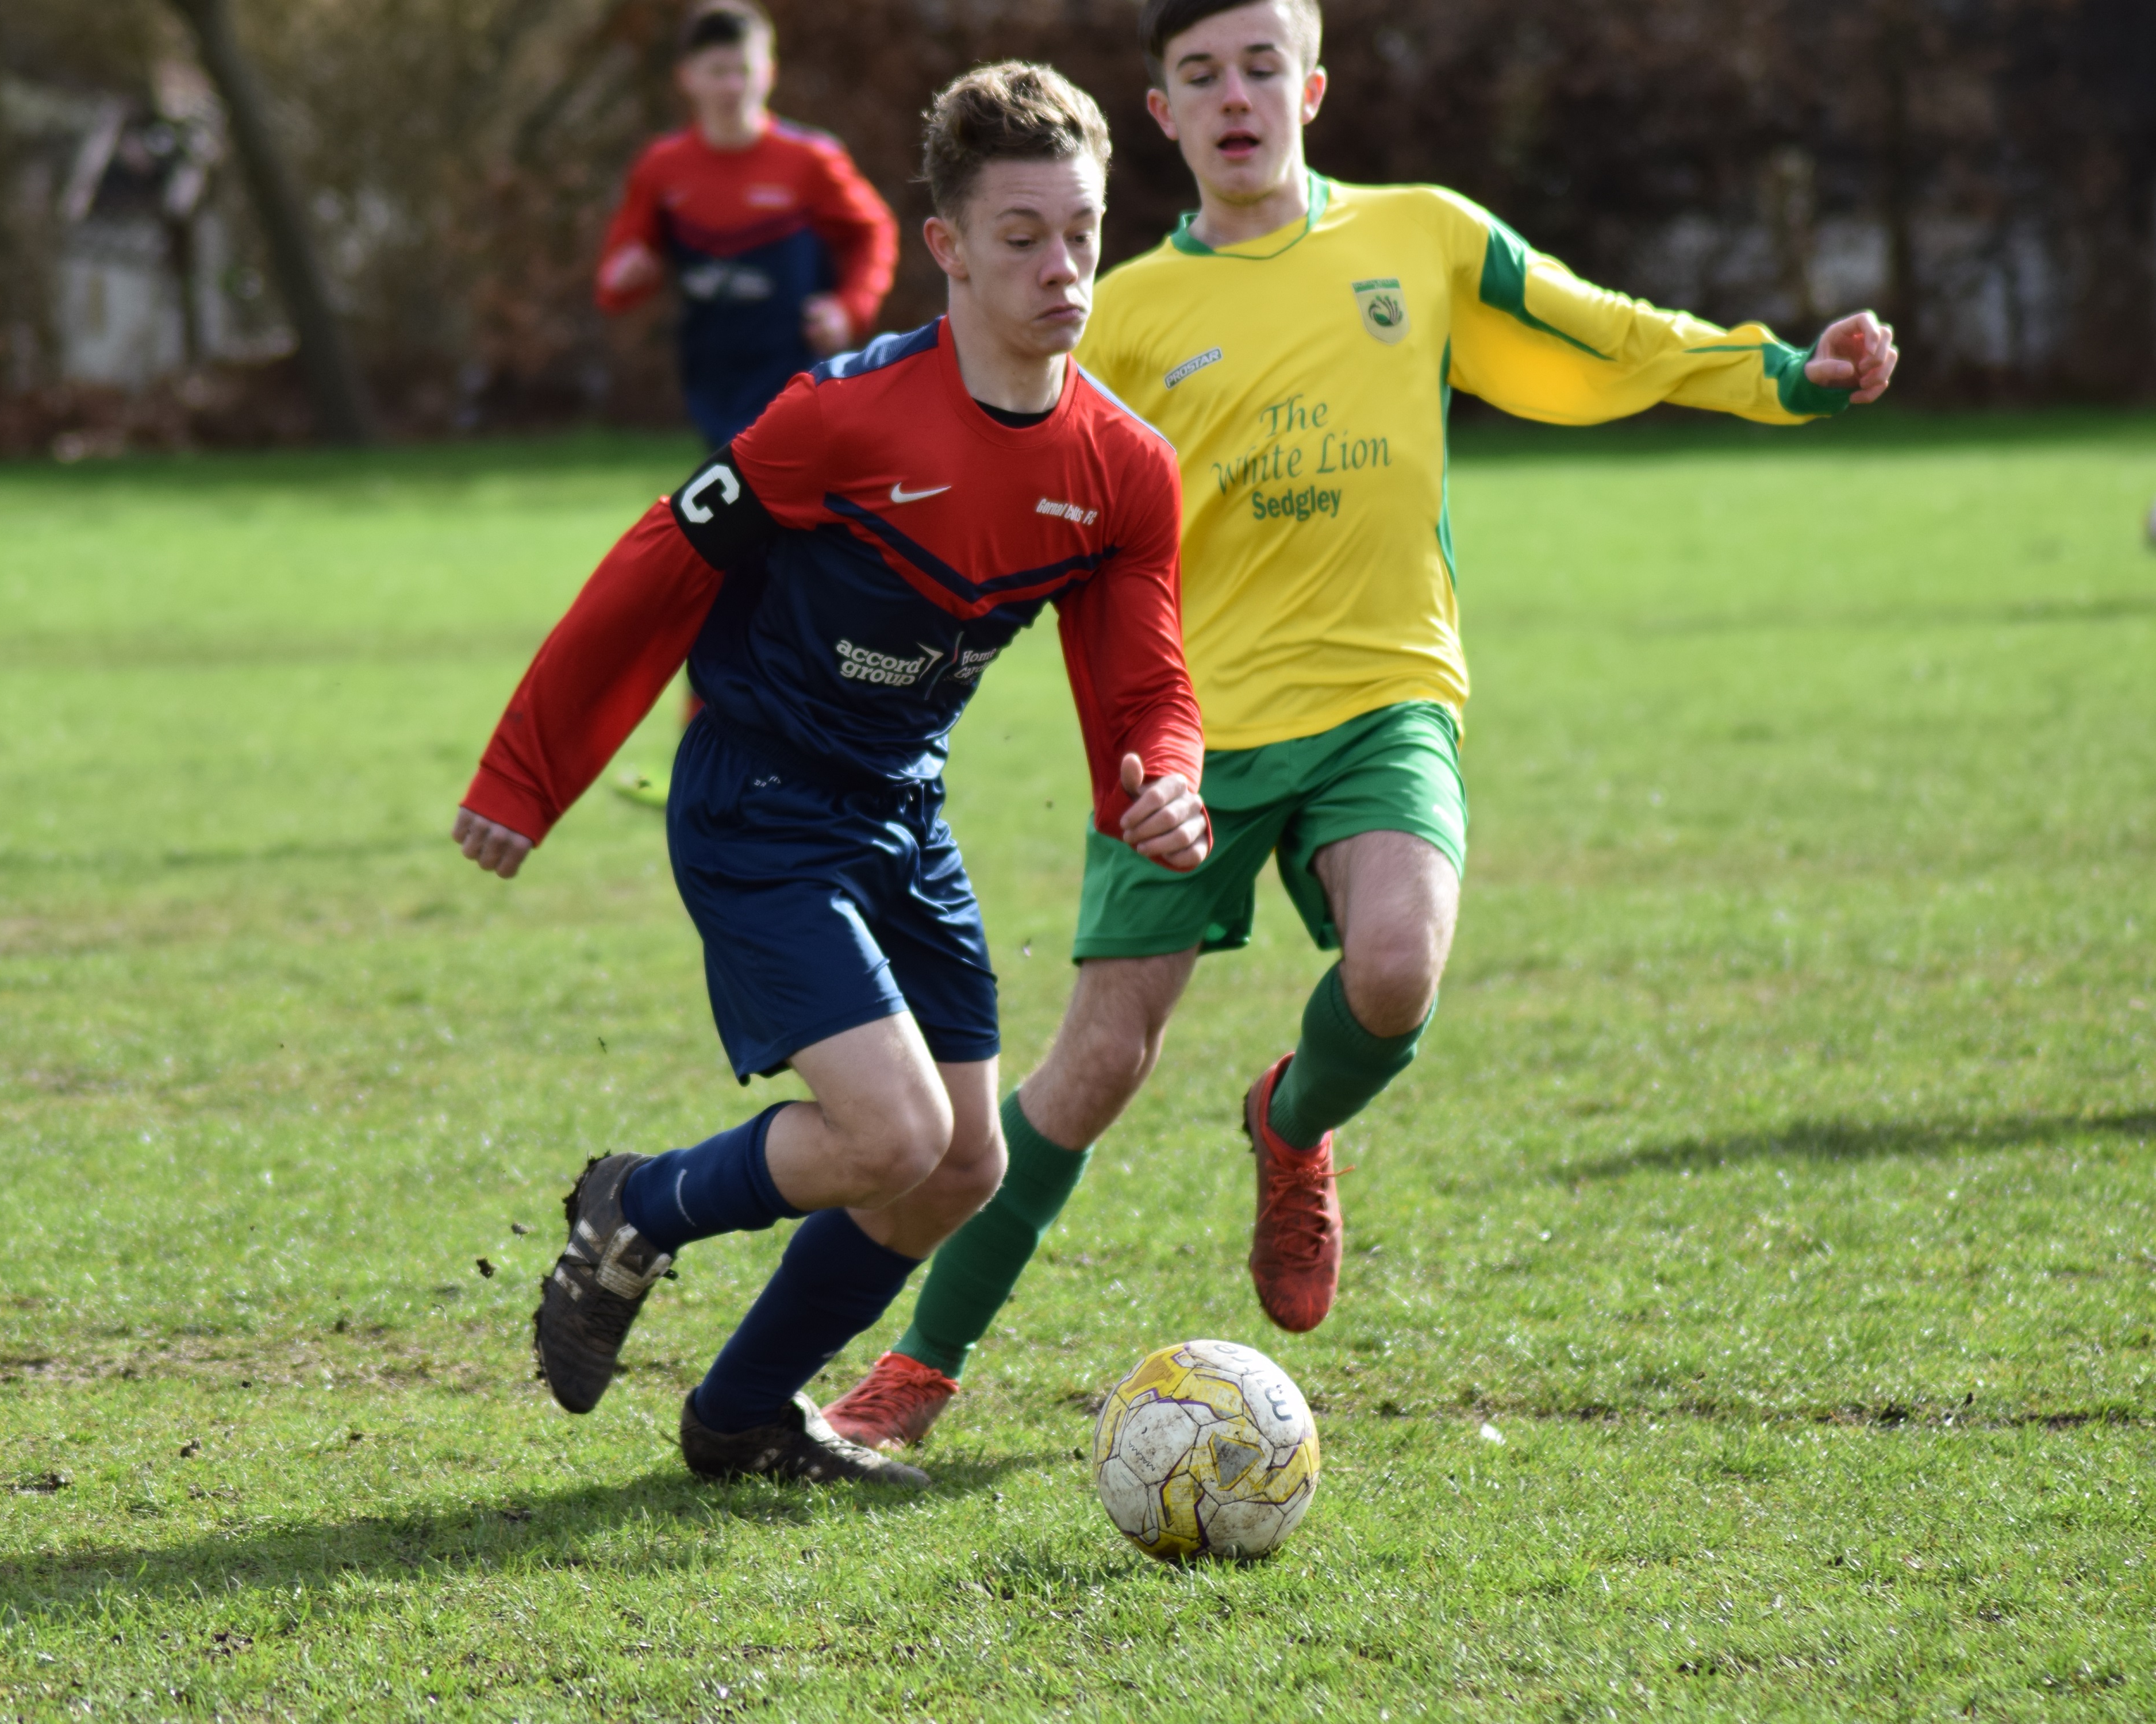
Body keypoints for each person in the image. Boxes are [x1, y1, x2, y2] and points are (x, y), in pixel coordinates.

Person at [827, 0, 1900, 1452]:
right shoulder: (1124, 312)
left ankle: (1290, 1117)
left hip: (1383, 689)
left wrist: (1780, 374)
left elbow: (1598, 336)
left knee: (1394, 969)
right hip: (1189, 731)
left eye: (1259, 65)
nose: (1232, 96)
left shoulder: (1421, 236)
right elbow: (1014, 471)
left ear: (1309, 86)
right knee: (1092, 1069)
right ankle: (920, 1364)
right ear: (1157, 112)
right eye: (1198, 74)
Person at [457, 63, 1209, 1487]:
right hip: (758, 797)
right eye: (1021, 237)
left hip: (899, 812)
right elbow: (648, 571)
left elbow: (1144, 683)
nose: (1062, 271)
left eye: (1083, 234)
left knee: (961, 1165)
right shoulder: (836, 422)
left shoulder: (1121, 467)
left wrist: (1164, 776)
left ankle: (738, 1414)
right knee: (890, 1126)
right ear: (943, 248)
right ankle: (638, 1206)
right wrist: (523, 776)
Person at [597, 0, 900, 450]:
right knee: (740, 500)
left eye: (745, 68)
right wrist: (627, 276)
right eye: (719, 71)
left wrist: (849, 308)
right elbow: (615, 279)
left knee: (786, 493)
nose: (733, 85)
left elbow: (874, 233)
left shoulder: (810, 160)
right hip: (711, 369)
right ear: (688, 77)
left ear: (769, 72)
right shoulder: (662, 168)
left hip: (793, 364)